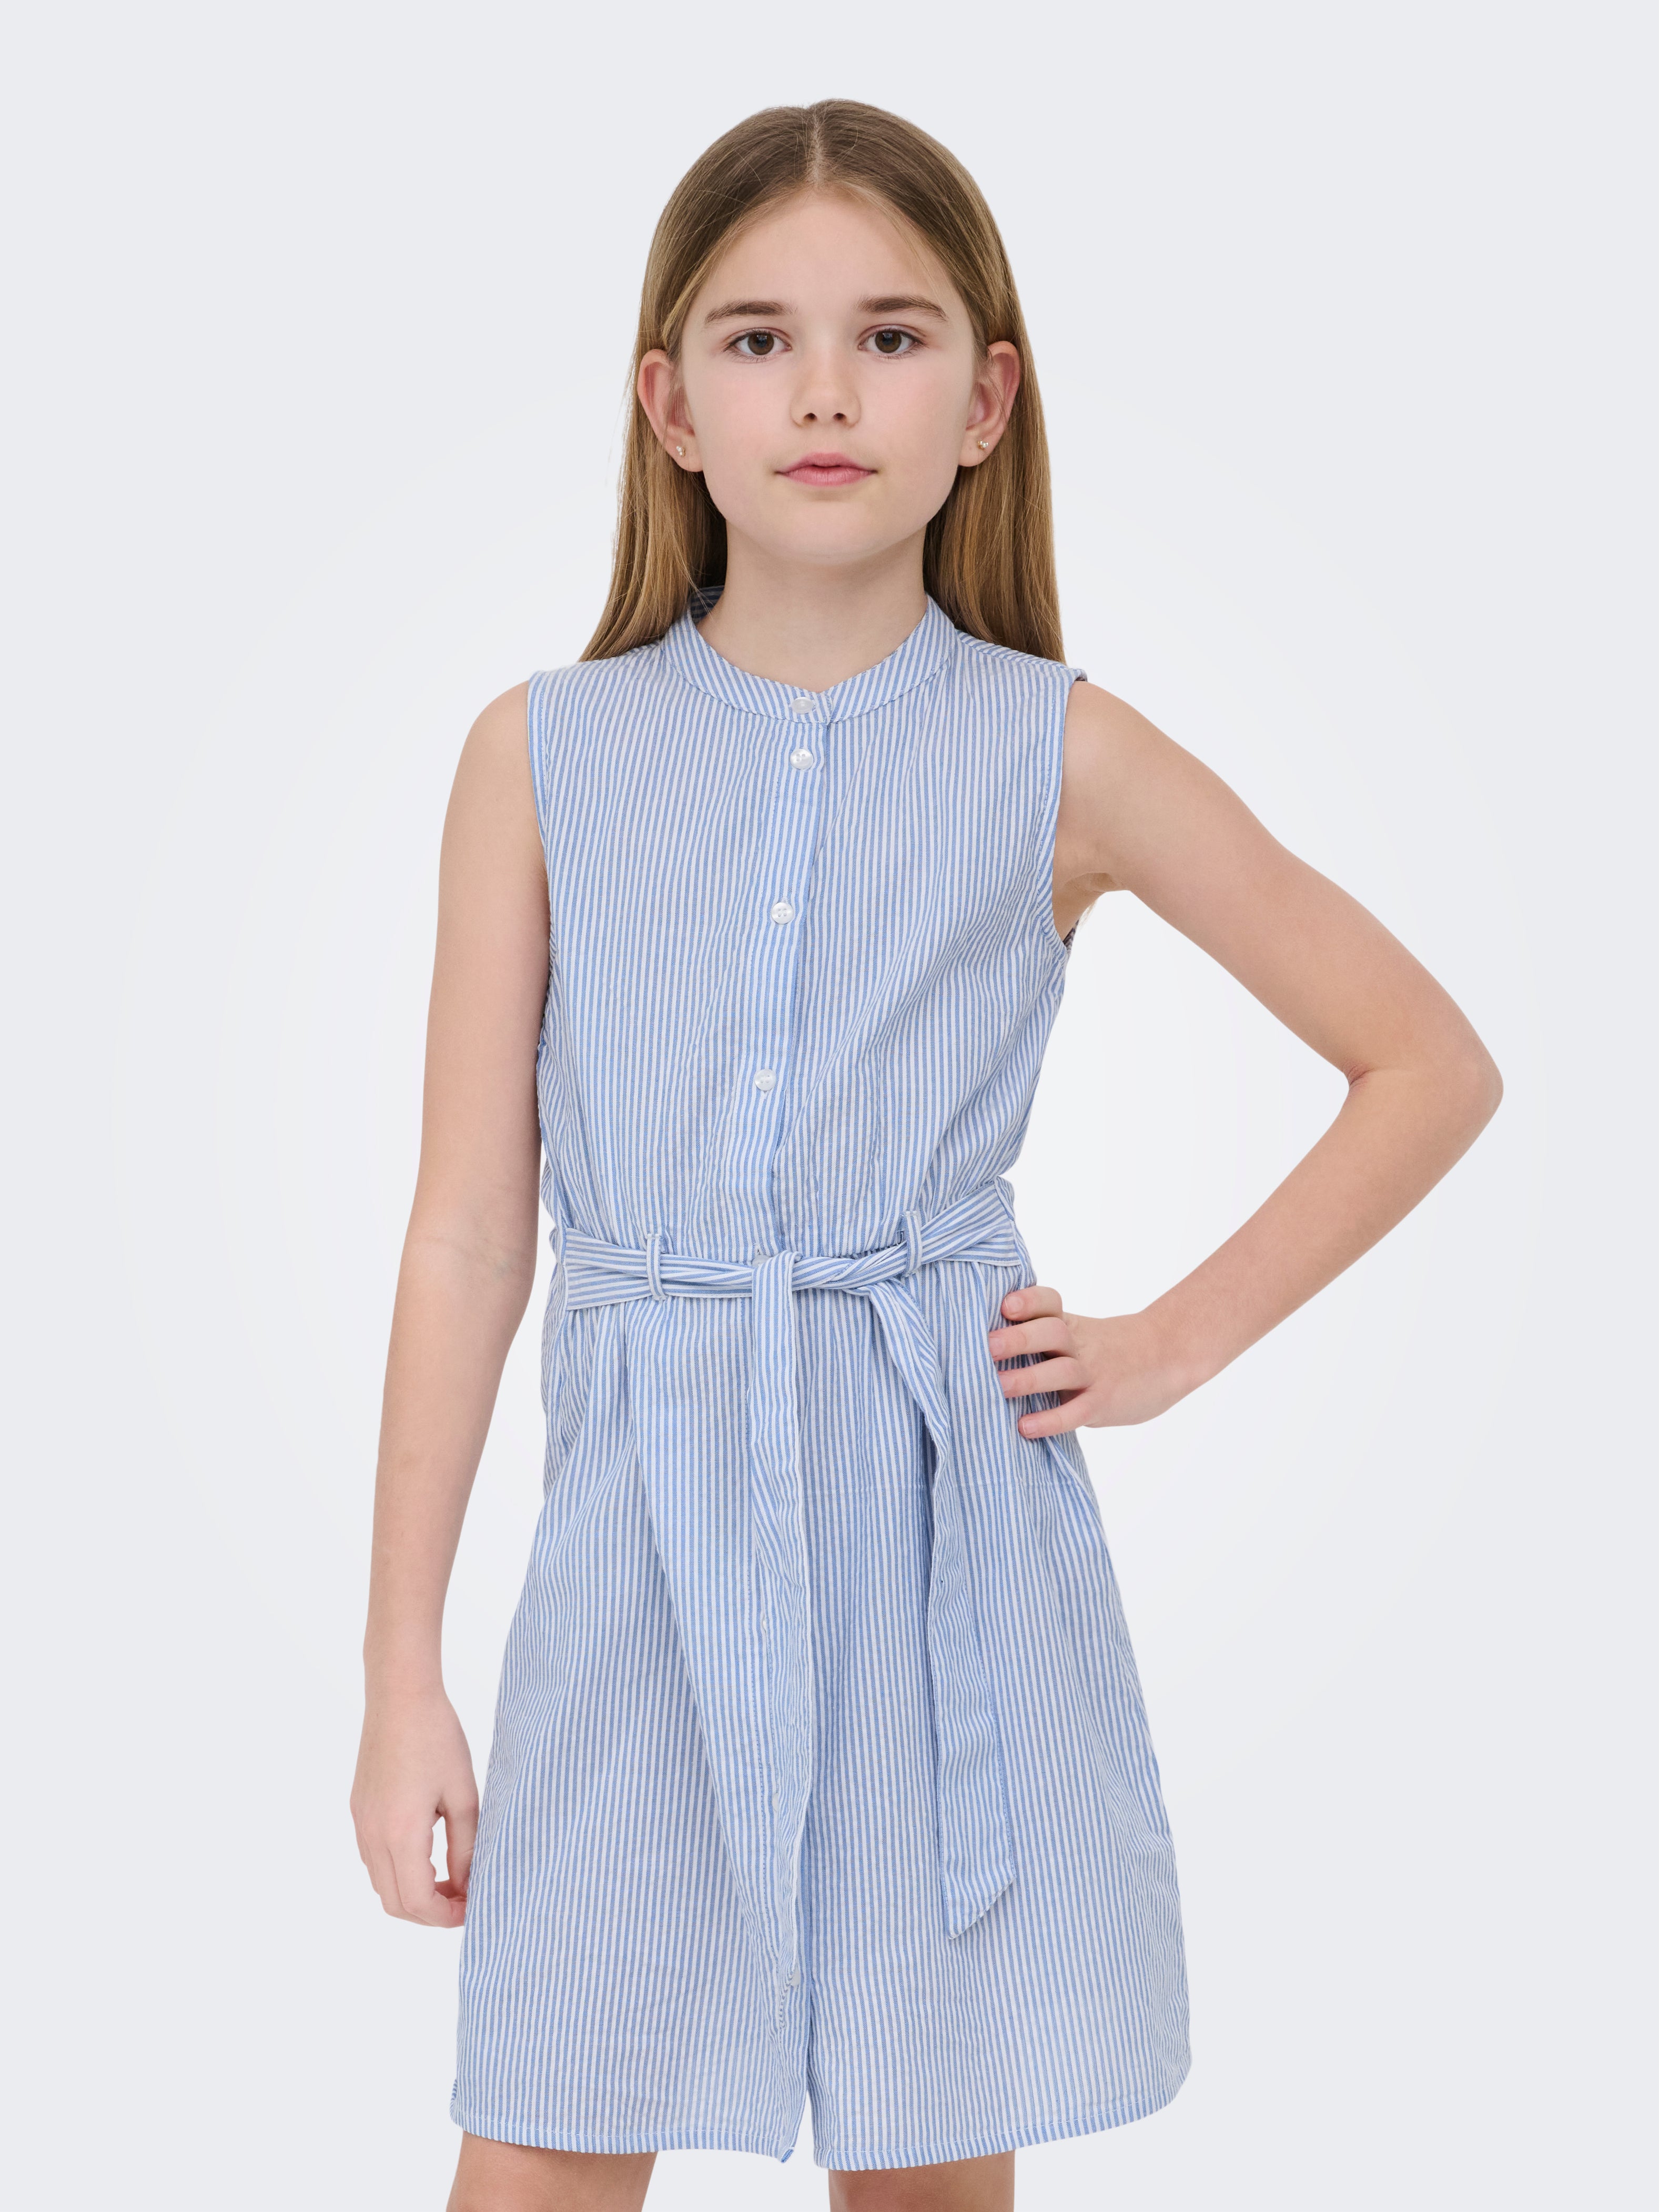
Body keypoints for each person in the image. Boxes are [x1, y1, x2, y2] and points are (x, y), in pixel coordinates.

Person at [349, 98, 1501, 2212]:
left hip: (939, 1543)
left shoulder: (1060, 752)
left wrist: (1165, 1346)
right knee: (544, 2134)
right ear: (668, 406)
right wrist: (398, 1667)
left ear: (983, 403)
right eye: (758, 339)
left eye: (888, 338)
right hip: (635, 1561)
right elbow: (467, 1232)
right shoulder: (543, 757)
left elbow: (1425, 1060)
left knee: (924, 2158)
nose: (822, 393)